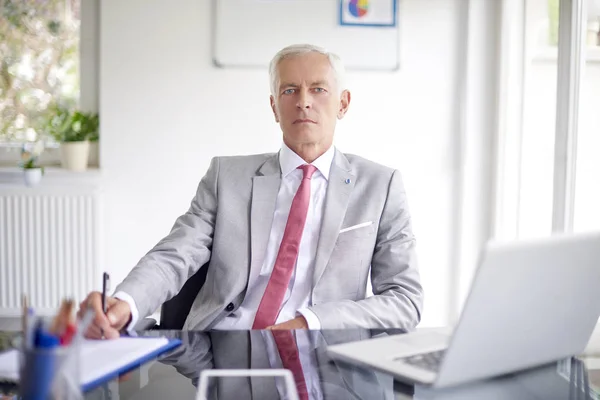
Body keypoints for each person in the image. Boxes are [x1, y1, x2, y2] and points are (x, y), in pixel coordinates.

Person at [78, 44, 423, 339]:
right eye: (289, 90)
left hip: (322, 355)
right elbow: (175, 255)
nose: (303, 102)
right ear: (274, 107)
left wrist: (310, 322)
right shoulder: (226, 177)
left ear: (343, 104)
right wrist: (125, 302)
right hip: (223, 347)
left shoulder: (381, 186)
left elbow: (405, 301)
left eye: (318, 89)